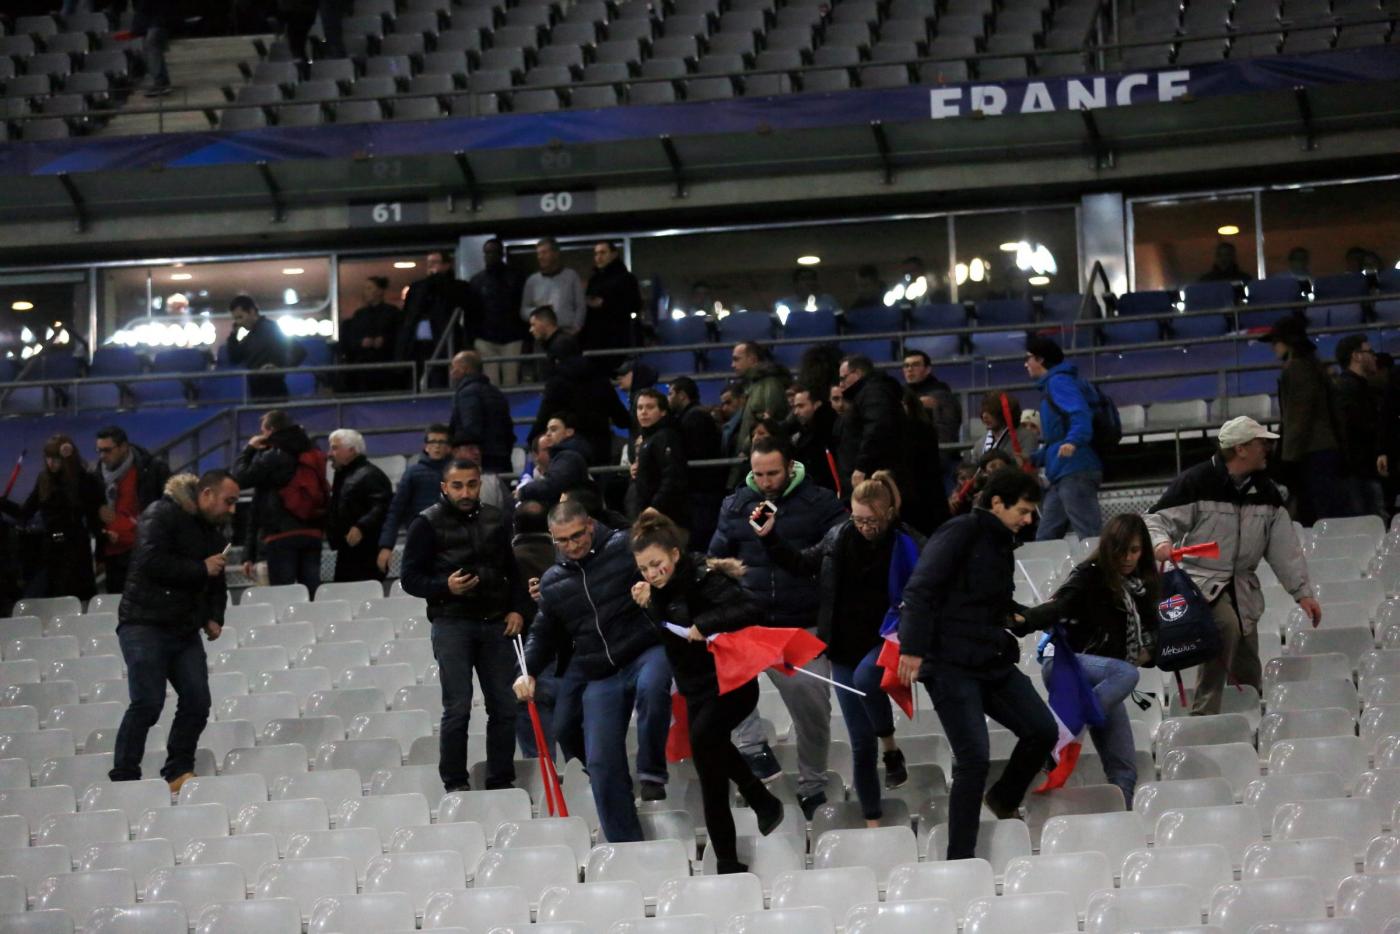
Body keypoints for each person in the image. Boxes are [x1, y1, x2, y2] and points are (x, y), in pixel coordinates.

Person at [896, 469, 1057, 860]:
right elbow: (920, 590)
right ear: (997, 503)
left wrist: (1026, 617)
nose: (1029, 519)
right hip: (948, 664)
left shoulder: (1002, 543)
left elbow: (989, 602)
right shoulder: (959, 531)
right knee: (973, 760)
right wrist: (912, 648)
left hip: (990, 658)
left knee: (1042, 730)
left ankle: (1003, 799)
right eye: (1023, 511)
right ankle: (960, 859)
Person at [754, 472, 918, 825]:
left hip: (885, 638)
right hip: (843, 644)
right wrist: (770, 538)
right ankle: (872, 819)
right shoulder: (838, 537)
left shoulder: (905, 543)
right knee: (860, 742)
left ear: (888, 513)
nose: (864, 527)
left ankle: (890, 744)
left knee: (866, 678)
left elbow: (924, 589)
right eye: (858, 519)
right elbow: (801, 564)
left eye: (871, 520)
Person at [629, 509, 785, 872]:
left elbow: (753, 608)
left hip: (732, 684)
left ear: (674, 554)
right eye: (644, 569)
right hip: (696, 690)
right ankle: (728, 862)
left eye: (657, 564)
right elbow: (668, 633)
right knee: (710, 778)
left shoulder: (704, 577)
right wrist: (649, 605)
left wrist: (706, 622)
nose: (652, 573)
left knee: (702, 740)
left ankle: (758, 796)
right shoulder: (655, 591)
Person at [515, 500, 673, 841]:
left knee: (653, 685)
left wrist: (655, 588)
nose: (572, 545)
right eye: (562, 540)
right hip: (601, 671)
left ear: (589, 525)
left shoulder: (625, 546)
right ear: (552, 538)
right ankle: (626, 844)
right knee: (600, 763)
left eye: (577, 536)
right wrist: (526, 670)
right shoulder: (553, 581)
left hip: (645, 648)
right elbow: (542, 631)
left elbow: (670, 569)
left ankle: (651, 774)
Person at [1145, 416, 1321, 715]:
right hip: (1201, 582)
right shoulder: (1196, 481)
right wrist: (1160, 544)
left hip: (1243, 588)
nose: (1267, 449)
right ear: (1241, 449)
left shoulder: (1266, 491)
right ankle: (1204, 715)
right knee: (1225, 626)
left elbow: (1284, 547)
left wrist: (1302, 592)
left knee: (1246, 659)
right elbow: (1155, 520)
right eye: (1261, 443)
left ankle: (1246, 722)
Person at [709, 437, 846, 816]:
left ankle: (812, 783)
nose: (766, 481)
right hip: (750, 622)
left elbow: (839, 553)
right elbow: (715, 560)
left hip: (801, 623)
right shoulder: (735, 506)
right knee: (711, 674)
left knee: (812, 700)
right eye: (758, 474)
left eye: (773, 473)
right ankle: (753, 747)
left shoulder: (821, 504)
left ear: (790, 468)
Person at [401, 459, 530, 792]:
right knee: (457, 708)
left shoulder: (496, 518)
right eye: (457, 485)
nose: (465, 492)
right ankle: (455, 783)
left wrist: (517, 609)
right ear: (444, 487)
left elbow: (512, 570)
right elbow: (409, 579)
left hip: (496, 622)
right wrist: (445, 586)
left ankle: (500, 780)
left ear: (479, 485)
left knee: (504, 706)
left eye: (471, 484)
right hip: (452, 622)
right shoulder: (426, 523)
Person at [108, 470, 239, 791]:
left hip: (184, 628)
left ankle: (178, 771)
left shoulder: (214, 531)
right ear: (206, 494)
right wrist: (200, 568)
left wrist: (214, 616)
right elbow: (149, 561)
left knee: (197, 701)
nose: (232, 508)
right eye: (229, 501)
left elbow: (216, 580)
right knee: (148, 702)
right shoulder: (160, 513)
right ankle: (124, 777)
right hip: (144, 623)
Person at [1021, 514, 1161, 806]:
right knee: (1126, 674)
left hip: (1102, 678)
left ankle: (1121, 819)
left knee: (1125, 769)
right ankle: (1065, 734)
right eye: (1120, 550)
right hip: (1066, 664)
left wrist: (1151, 651)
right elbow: (1058, 606)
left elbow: (1153, 635)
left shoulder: (1143, 586)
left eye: (1134, 550)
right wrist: (1026, 619)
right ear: (1108, 547)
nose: (1127, 557)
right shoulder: (1089, 574)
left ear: (1143, 551)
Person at [0, 434, 104, 600]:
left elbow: (94, 519)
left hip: (76, 549)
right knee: (55, 599)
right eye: (48, 458)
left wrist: (100, 556)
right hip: (51, 550)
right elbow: (25, 512)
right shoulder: (44, 479)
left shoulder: (83, 480)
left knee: (79, 597)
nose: (51, 463)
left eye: (56, 458)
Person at [233, 410, 327, 594]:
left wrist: (249, 448)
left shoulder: (273, 454)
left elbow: (240, 478)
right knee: (312, 594)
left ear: (271, 430)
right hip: (313, 531)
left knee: (284, 595)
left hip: (281, 534)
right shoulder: (312, 451)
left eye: (263, 430)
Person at [1263, 315, 1345, 524]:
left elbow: (1298, 416)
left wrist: (1288, 458)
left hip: (1311, 450)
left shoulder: (1297, 369)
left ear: (1287, 342)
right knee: (1326, 510)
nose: (1273, 347)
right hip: (1319, 448)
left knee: (1319, 513)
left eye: (1276, 341)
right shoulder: (1312, 366)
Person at [1025, 335, 1103, 541]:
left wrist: (1073, 441)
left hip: (1075, 469)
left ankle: (1102, 563)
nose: (1026, 364)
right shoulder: (1058, 382)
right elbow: (1057, 437)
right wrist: (1035, 458)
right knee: (1046, 538)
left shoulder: (1059, 382)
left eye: (1028, 358)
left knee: (1089, 535)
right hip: (1063, 471)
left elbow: (1080, 414)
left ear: (1040, 359)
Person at [93, 425, 171, 596]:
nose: (102, 456)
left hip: (145, 550)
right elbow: (93, 515)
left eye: (107, 450)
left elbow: (168, 509)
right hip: (113, 555)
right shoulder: (96, 477)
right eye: (99, 451)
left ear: (123, 447)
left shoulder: (152, 470)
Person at [377, 425, 454, 576]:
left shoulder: (456, 473)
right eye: (433, 441)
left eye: (441, 442)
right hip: (420, 540)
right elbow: (395, 511)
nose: (437, 446)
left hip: (452, 540)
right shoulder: (413, 473)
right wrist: (386, 546)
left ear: (448, 447)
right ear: (426, 446)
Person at [398, 250, 474, 389]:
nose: (430, 266)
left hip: (444, 342)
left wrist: (438, 280)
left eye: (435, 262)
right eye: (428, 263)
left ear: (446, 265)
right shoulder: (417, 288)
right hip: (419, 345)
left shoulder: (458, 287)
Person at [326, 429, 392, 583]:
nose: (329, 454)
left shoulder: (370, 474)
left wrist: (361, 527)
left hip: (367, 551)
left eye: (335, 448)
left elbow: (382, 506)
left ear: (351, 450)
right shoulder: (343, 475)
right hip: (347, 549)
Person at [1332, 334, 1386, 519]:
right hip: (1359, 472)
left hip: (1359, 470)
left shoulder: (1354, 387)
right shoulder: (1350, 389)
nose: (1375, 357)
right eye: (1370, 352)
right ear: (1356, 356)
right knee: (1370, 522)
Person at [668, 376, 725, 546]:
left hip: (701, 491)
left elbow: (696, 453)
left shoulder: (695, 417)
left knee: (701, 538)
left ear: (682, 395)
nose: (668, 398)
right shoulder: (691, 416)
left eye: (671, 393)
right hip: (701, 491)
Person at [836, 353, 903, 490]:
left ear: (857, 373)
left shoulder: (873, 392)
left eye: (843, 378)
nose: (841, 384)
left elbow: (876, 428)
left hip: (872, 477)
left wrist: (862, 467)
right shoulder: (869, 393)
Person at [469, 238, 527, 387]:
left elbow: (522, 306)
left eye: (493, 252)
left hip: (511, 336)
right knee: (493, 382)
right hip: (487, 338)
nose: (490, 256)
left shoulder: (516, 278)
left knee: (510, 381)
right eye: (487, 253)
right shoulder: (477, 281)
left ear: (501, 254)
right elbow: (472, 312)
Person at [626, 389, 689, 525]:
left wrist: (656, 506)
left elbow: (673, 476)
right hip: (646, 513)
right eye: (640, 408)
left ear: (663, 411)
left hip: (662, 517)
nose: (643, 412)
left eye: (650, 407)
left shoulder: (666, 437)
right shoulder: (646, 438)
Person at [226, 294, 305, 402]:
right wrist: (233, 335)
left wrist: (280, 369)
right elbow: (235, 358)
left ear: (252, 311)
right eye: (235, 319)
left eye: (240, 317)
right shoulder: (250, 336)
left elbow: (299, 351)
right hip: (257, 391)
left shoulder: (271, 329)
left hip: (273, 391)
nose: (238, 322)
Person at [448, 350, 515, 474]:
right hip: (503, 458)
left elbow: (471, 430)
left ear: (465, 368)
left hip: (482, 462)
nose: (451, 373)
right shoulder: (497, 393)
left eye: (454, 368)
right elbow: (508, 429)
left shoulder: (467, 393)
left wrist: (453, 443)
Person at [517, 413, 594, 508]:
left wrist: (523, 492)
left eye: (553, 429)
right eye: (547, 430)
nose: (548, 434)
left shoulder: (569, 457)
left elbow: (552, 485)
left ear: (569, 432)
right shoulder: (565, 455)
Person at [340, 276, 400, 394]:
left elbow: (399, 336)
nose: (365, 292)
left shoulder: (392, 312)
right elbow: (351, 339)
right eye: (365, 288)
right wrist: (361, 342)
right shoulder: (359, 315)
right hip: (363, 369)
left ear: (380, 291)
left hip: (386, 367)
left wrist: (385, 340)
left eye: (369, 288)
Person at [583, 240, 641, 361]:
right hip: (596, 337)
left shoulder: (626, 279)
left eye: (603, 253)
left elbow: (634, 304)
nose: (598, 257)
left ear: (614, 254)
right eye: (596, 253)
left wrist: (605, 304)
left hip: (618, 336)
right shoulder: (594, 279)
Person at [902, 350, 962, 460]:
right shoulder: (900, 394)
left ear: (928, 369)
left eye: (915, 365)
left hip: (934, 458)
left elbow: (947, 433)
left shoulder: (941, 395)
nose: (909, 369)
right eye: (906, 366)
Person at [521, 237, 587, 335]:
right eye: (538, 254)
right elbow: (523, 311)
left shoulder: (571, 276)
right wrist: (540, 311)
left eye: (544, 253)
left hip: (566, 332)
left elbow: (580, 306)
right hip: (541, 334)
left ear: (555, 254)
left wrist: (576, 327)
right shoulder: (532, 281)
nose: (540, 257)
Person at [786, 383, 839, 493]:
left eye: (801, 406)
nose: (796, 412)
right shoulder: (801, 431)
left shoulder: (828, 430)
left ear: (816, 405)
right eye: (794, 407)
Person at [967, 391, 1038, 466]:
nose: (984, 416)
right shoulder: (979, 445)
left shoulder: (1026, 437)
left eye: (991, 412)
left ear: (1005, 413)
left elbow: (1027, 467)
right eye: (983, 411)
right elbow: (974, 469)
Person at [452, 435, 513, 514]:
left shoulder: (493, 480)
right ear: (456, 452)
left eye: (479, 449)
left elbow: (509, 510)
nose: (477, 452)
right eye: (471, 448)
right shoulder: (445, 480)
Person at [527, 306, 583, 380]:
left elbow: (569, 376)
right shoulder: (550, 343)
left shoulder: (562, 344)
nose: (531, 330)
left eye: (533, 324)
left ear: (545, 323)